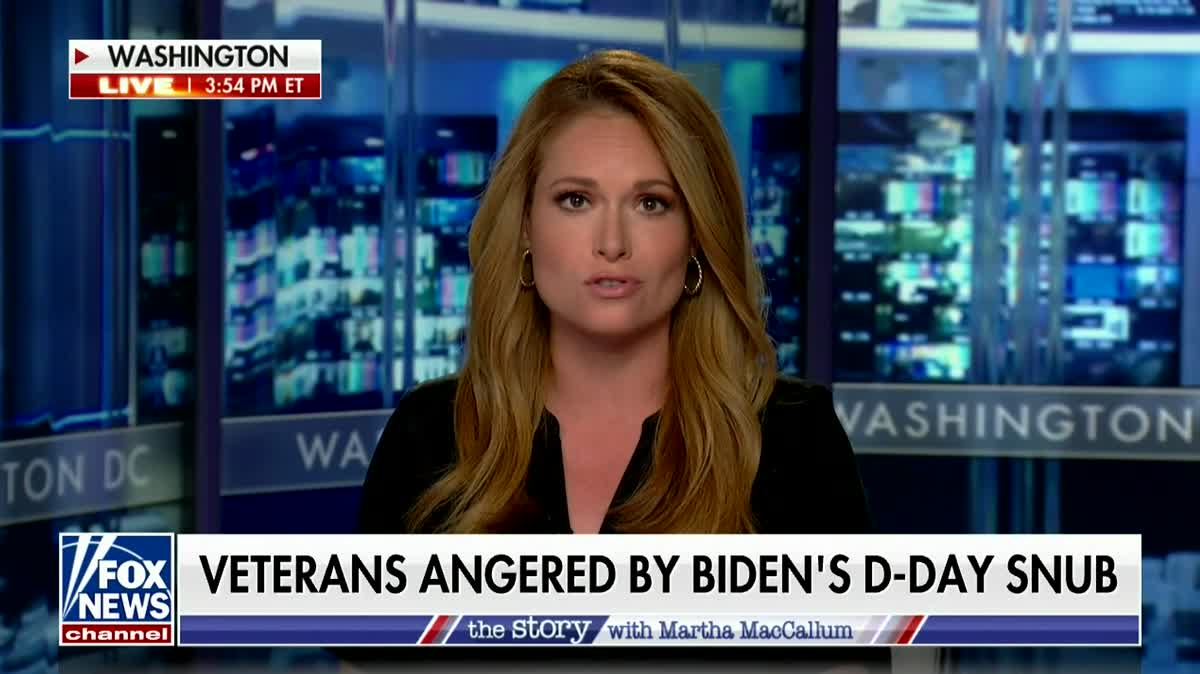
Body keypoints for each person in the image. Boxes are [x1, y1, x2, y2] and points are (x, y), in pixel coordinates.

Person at [345, 49, 887, 673]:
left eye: (651, 203)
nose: (612, 243)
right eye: (576, 200)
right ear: (525, 227)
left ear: (696, 235)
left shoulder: (794, 440)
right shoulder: (428, 435)